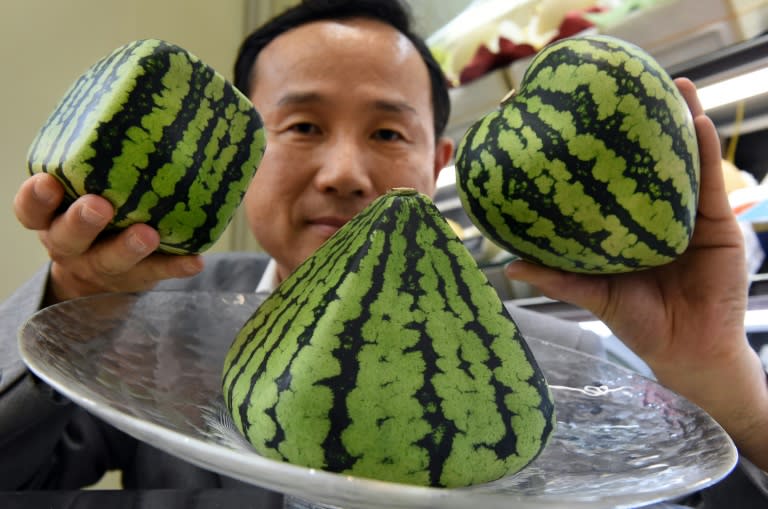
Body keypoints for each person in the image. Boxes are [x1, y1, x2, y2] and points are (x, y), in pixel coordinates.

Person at [1, 0, 766, 507]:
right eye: (300, 127)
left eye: (389, 133)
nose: (344, 173)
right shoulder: (146, 330)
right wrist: (69, 297)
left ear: (438, 161)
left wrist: (714, 371)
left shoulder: (563, 375)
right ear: (239, 157)